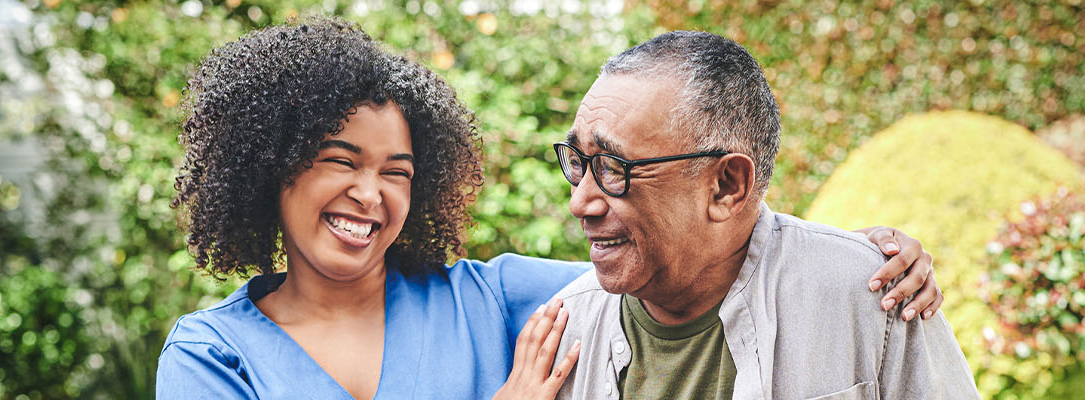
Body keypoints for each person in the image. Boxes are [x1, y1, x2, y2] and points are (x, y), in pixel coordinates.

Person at [154, 19, 943, 399]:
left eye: (398, 170)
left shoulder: (493, 299)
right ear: (270, 169)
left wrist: (863, 258)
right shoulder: (211, 355)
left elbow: (689, 255)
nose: (372, 194)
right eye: (340, 161)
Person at [547, 31, 978, 399]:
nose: (580, 202)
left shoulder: (874, 297)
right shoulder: (563, 330)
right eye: (579, 162)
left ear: (727, 186)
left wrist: (854, 260)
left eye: (612, 167)